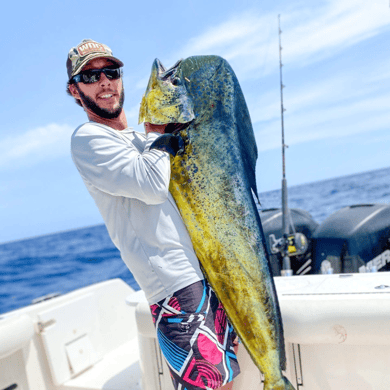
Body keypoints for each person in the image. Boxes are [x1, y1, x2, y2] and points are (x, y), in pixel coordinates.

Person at [67, 39, 240, 390]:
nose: (104, 82)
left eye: (111, 72)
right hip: (175, 286)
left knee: (227, 381)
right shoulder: (88, 139)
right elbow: (150, 185)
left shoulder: (140, 138)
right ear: (74, 90)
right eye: (90, 75)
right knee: (210, 386)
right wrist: (160, 132)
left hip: (205, 273)